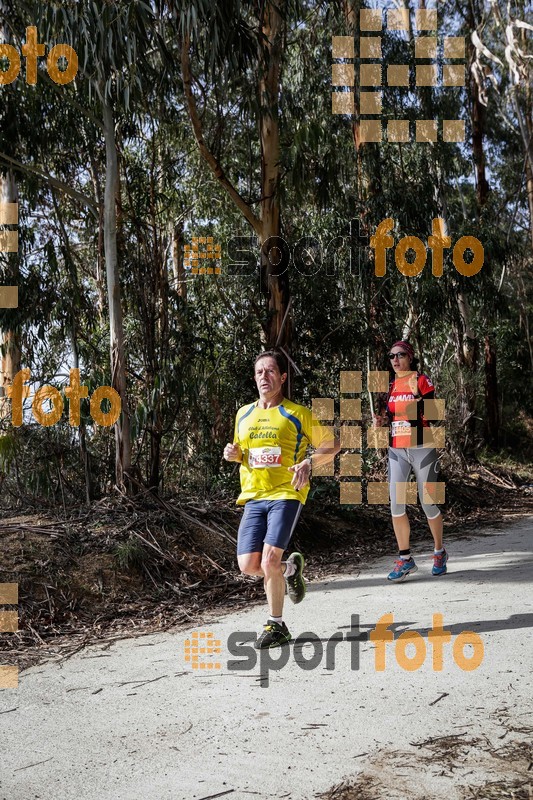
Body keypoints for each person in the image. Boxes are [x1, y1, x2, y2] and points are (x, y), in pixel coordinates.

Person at [224, 349, 340, 648]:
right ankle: (290, 569)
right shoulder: (243, 413)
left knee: (268, 559)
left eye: (271, 371)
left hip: (287, 493)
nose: (264, 376)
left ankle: (277, 625)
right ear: (254, 378)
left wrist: (309, 463)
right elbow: (241, 450)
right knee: (248, 565)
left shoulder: (297, 413)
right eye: (260, 372)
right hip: (253, 496)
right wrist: (233, 454)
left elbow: (332, 445)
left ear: (283, 377)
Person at [373, 340, 447, 582]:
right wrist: (381, 422)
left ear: (411, 357)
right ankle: (405, 559)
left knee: (428, 504)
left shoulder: (421, 381)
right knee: (396, 505)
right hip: (397, 450)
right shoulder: (391, 385)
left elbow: (435, 415)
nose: (395, 359)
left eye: (400, 355)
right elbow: (390, 416)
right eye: (391, 356)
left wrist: (420, 407)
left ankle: (439, 552)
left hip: (422, 447)